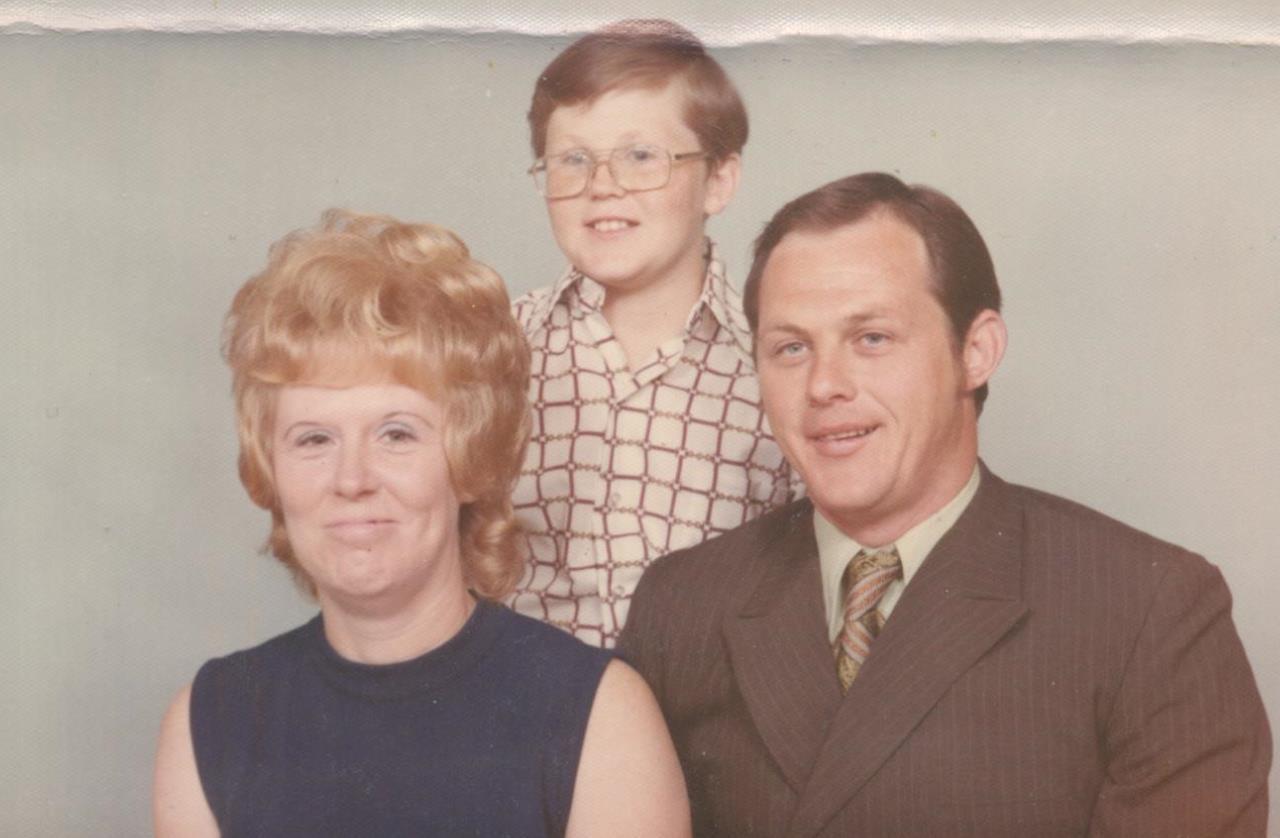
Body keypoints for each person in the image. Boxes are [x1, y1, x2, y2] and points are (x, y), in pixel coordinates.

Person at [621, 173, 1271, 836]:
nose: (823, 386)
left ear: (976, 352)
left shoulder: (1146, 608)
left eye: (872, 338)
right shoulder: (682, 603)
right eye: (791, 348)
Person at [152, 210, 690, 837]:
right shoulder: (213, 720)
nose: (352, 479)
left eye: (397, 434)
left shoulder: (598, 714)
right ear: (269, 468)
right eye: (314, 439)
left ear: (470, 458)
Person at [509, 19, 795, 647]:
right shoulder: (497, 348)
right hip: (520, 699)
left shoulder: (778, 362)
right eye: (572, 160)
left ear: (718, 181)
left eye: (640, 156)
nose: (602, 186)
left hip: (706, 702)